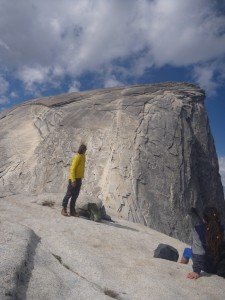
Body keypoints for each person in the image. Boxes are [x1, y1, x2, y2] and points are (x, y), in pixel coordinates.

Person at [180, 206, 224, 279]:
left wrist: (196, 271)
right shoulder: (222, 229)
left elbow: (198, 252)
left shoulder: (198, 230)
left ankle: (180, 267)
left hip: (206, 267)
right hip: (221, 268)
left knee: (187, 251)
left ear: (204, 219)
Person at [61, 144, 87, 217]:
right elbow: (72, 169)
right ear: (82, 150)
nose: (85, 151)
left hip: (79, 178)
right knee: (69, 194)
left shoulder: (83, 156)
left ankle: (72, 211)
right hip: (73, 178)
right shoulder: (77, 157)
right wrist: (73, 180)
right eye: (85, 150)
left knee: (75, 195)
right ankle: (64, 209)